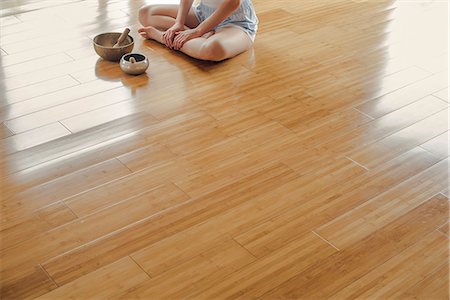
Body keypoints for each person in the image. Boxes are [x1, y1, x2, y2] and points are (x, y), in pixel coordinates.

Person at [138, 0, 258, 61]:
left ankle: (163, 38)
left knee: (212, 50)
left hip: (235, 22)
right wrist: (178, 23)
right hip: (203, 13)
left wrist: (197, 31)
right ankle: (192, 37)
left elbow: (233, 2)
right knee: (145, 13)